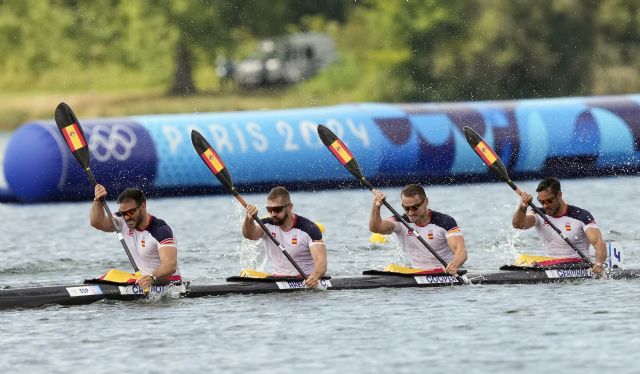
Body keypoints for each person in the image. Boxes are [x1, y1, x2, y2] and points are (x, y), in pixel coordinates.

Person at [90, 185, 181, 288]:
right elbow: (97, 223)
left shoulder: (161, 231)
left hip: (168, 282)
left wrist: (152, 277)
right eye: (123, 213)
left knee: (110, 279)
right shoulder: (121, 220)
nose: (127, 217)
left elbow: (170, 265)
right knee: (108, 276)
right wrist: (97, 201)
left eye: (131, 212)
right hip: (142, 280)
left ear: (143, 206)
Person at [512, 177, 606, 275]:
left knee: (532, 264)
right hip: (550, 264)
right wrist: (523, 207)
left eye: (549, 201)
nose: (545, 205)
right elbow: (518, 225)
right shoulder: (539, 214)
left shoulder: (581, 216)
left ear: (559, 195)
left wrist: (599, 264)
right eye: (542, 202)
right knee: (522, 259)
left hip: (578, 264)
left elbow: (598, 243)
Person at [369, 184, 468, 275]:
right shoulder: (400, 221)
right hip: (417, 273)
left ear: (426, 201)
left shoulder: (445, 222)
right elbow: (376, 228)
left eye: (414, 207)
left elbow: (461, 252)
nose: (410, 213)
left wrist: (454, 264)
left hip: (444, 273)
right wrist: (376, 207)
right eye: (406, 208)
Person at [242, 186, 327, 288]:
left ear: (289, 207)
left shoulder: (309, 229)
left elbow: (321, 262)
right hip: (278, 278)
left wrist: (315, 277)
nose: (273, 214)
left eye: (277, 209)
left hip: (305, 280)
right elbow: (249, 235)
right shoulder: (267, 225)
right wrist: (249, 219)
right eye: (270, 209)